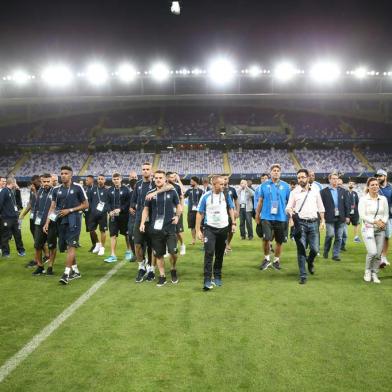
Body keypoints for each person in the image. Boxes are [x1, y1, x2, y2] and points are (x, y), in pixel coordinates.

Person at [44, 166, 88, 285]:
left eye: (66, 173)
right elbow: (52, 207)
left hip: (74, 219)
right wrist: (47, 222)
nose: (63, 175)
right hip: (60, 220)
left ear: (71, 175)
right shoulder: (56, 189)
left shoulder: (78, 187)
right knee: (64, 247)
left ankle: (66, 274)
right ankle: (76, 271)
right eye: (62, 173)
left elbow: (86, 205)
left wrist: (71, 210)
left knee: (71, 246)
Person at [140, 170, 182, 287]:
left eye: (160, 178)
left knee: (173, 252)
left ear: (165, 179)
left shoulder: (172, 191)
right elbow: (146, 209)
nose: (158, 179)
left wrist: (178, 216)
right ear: (154, 179)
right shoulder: (149, 193)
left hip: (170, 226)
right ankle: (162, 276)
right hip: (156, 228)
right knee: (158, 254)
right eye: (156, 178)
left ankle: (173, 268)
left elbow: (179, 206)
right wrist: (143, 222)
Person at [196, 175, 236, 290]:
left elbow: (230, 208)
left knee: (219, 254)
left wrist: (233, 223)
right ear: (214, 184)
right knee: (209, 253)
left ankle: (217, 276)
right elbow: (200, 213)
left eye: (224, 184)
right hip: (210, 229)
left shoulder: (226, 195)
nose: (224, 186)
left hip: (223, 228)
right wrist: (198, 230)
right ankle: (207, 280)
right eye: (221, 184)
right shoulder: (206, 196)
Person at [286, 169, 326, 284]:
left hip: (314, 223)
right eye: (298, 178)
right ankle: (303, 275)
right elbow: (288, 207)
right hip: (300, 224)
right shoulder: (294, 192)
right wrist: (290, 215)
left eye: (302, 177)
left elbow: (321, 207)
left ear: (308, 178)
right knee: (301, 249)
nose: (300, 179)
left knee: (315, 249)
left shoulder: (315, 191)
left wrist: (322, 220)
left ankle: (310, 261)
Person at [255, 164, 290, 270]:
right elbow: (260, 201)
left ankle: (276, 260)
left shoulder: (286, 186)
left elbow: (289, 203)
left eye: (278, 170)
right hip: (266, 217)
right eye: (274, 170)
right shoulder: (264, 185)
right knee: (266, 239)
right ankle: (266, 259)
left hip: (281, 217)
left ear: (280, 173)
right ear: (270, 173)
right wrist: (257, 214)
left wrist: (291, 217)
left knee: (279, 241)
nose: (276, 172)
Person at [358, 177, 389, 284]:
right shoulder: (363, 199)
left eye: (376, 184)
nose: (375, 186)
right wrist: (375, 221)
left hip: (381, 229)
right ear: (368, 186)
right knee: (372, 252)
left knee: (378, 254)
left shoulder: (383, 199)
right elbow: (362, 215)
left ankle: (374, 273)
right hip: (368, 229)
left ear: (378, 186)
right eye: (372, 185)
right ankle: (367, 271)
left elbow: (386, 214)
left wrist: (383, 222)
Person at [320, 172, 350, 261]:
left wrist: (347, 216)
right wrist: (322, 218)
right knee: (330, 235)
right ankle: (326, 251)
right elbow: (321, 205)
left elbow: (347, 204)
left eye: (336, 178)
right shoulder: (323, 192)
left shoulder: (343, 191)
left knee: (339, 237)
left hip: (341, 217)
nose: (335, 180)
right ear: (329, 180)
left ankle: (335, 255)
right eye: (333, 178)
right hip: (329, 217)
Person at [31, 173, 57, 276]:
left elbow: (55, 208)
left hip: (52, 224)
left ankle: (50, 267)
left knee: (52, 246)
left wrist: (49, 221)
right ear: (41, 182)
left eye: (48, 181)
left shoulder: (55, 191)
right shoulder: (40, 191)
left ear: (52, 181)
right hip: (39, 223)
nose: (46, 183)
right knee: (37, 246)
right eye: (44, 181)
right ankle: (40, 266)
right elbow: (37, 206)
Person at [104, 173, 132, 263]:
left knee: (127, 234)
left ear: (121, 179)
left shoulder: (126, 190)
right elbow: (107, 203)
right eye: (114, 179)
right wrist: (110, 211)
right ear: (112, 180)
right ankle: (113, 255)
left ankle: (129, 251)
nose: (116, 180)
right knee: (112, 235)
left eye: (117, 179)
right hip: (113, 217)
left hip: (124, 216)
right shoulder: (109, 190)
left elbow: (128, 203)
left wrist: (120, 209)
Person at [19, 174, 42, 267]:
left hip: (39, 217)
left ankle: (37, 260)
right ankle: (46, 256)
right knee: (36, 238)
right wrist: (23, 214)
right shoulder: (32, 191)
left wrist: (35, 191)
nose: (33, 185)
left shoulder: (41, 190)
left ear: (39, 181)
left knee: (38, 239)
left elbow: (40, 202)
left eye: (34, 183)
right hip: (33, 217)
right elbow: (30, 203)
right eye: (32, 183)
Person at [0, 177, 26, 257]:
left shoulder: (11, 191)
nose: (16, 184)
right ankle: (6, 253)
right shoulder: (4, 191)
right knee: (5, 236)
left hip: (14, 218)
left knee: (18, 235)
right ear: (12, 182)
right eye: (15, 182)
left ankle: (21, 251)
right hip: (6, 218)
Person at [88, 174, 109, 256]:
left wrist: (106, 210)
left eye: (102, 179)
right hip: (93, 214)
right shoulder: (92, 189)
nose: (100, 180)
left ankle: (102, 248)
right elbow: (89, 201)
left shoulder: (107, 190)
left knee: (102, 231)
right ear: (97, 180)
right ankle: (97, 243)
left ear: (105, 180)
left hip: (102, 214)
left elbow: (108, 202)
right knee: (91, 230)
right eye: (99, 178)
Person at [167, 172, 186, 256]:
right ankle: (167, 249)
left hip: (176, 211)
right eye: (171, 177)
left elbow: (182, 196)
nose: (173, 178)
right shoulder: (163, 186)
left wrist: (181, 208)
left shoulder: (177, 186)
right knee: (167, 231)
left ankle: (182, 245)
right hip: (167, 212)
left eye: (174, 177)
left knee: (178, 231)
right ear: (167, 178)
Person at [376, 169, 392, 268]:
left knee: (386, 237)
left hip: (389, 217)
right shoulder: (375, 187)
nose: (378, 178)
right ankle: (378, 258)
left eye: (380, 176)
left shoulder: (391, 188)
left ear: (385, 177)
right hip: (377, 217)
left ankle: (383, 257)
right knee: (378, 238)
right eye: (377, 176)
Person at [184, 176, 203, 245]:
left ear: (195, 182)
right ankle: (193, 240)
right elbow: (183, 197)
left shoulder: (201, 191)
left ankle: (202, 239)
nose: (190, 182)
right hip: (191, 211)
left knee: (200, 225)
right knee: (192, 226)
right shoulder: (189, 191)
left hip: (199, 211)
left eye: (191, 181)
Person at [222, 175, 239, 252]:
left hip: (231, 212)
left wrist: (237, 211)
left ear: (228, 180)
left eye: (226, 179)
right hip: (222, 213)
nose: (224, 180)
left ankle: (228, 243)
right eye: (223, 179)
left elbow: (236, 200)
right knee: (223, 230)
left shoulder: (232, 189)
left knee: (231, 230)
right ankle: (224, 244)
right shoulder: (220, 189)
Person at [84, 175, 98, 252]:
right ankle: (94, 244)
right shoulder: (86, 189)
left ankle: (97, 244)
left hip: (93, 213)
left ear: (91, 180)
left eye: (87, 180)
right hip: (87, 213)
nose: (86, 181)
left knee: (92, 229)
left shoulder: (95, 189)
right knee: (90, 230)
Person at [127, 171, 138, 262]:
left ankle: (143, 254)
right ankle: (134, 254)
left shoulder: (143, 191)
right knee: (130, 235)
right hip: (132, 217)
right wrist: (130, 208)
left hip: (142, 216)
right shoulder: (129, 193)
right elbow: (126, 204)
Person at [254, 173, 270, 239]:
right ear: (260, 180)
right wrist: (257, 212)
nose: (264, 180)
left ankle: (269, 241)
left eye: (266, 178)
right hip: (261, 211)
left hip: (269, 211)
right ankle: (267, 242)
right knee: (263, 227)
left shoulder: (271, 187)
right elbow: (256, 201)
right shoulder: (258, 189)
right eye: (262, 178)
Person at [346, 179, 361, 243]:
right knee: (344, 225)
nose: (351, 184)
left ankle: (356, 237)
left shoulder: (355, 193)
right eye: (350, 183)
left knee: (356, 224)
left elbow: (357, 203)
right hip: (347, 212)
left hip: (355, 212)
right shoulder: (345, 192)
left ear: (354, 185)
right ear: (348, 184)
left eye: (352, 183)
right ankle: (343, 238)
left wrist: (357, 210)